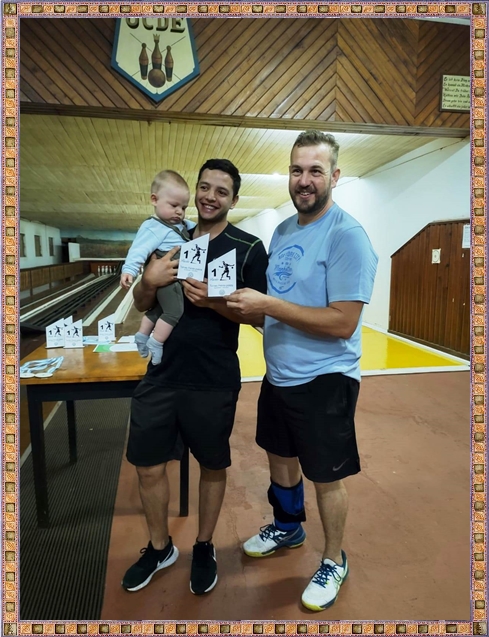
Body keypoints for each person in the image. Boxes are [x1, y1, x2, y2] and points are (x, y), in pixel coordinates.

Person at [225, 130, 378, 611]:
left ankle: (334, 559)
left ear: (335, 176)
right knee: (280, 458)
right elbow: (278, 306)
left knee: (325, 477)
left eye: (315, 170)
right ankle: (288, 527)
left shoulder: (347, 236)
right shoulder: (285, 231)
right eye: (297, 170)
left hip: (325, 378)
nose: (304, 180)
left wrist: (268, 305)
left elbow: (342, 322)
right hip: (280, 375)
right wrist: (230, 306)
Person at [122, 159, 268, 596]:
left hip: (213, 376)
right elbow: (143, 302)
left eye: (221, 191)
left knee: (212, 464)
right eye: (204, 187)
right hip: (162, 373)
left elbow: (261, 316)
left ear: (234, 200)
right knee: (147, 465)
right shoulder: (171, 234)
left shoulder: (248, 247)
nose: (209, 197)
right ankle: (160, 547)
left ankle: (204, 546)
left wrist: (214, 303)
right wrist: (149, 280)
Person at [120, 170, 195, 365]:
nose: (179, 211)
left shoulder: (181, 224)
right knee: (174, 312)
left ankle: (142, 335)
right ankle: (157, 342)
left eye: (183, 207)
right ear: (154, 200)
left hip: (173, 277)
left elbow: (190, 226)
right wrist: (129, 270)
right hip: (168, 278)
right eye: (174, 205)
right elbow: (138, 249)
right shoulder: (152, 227)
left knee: (159, 309)